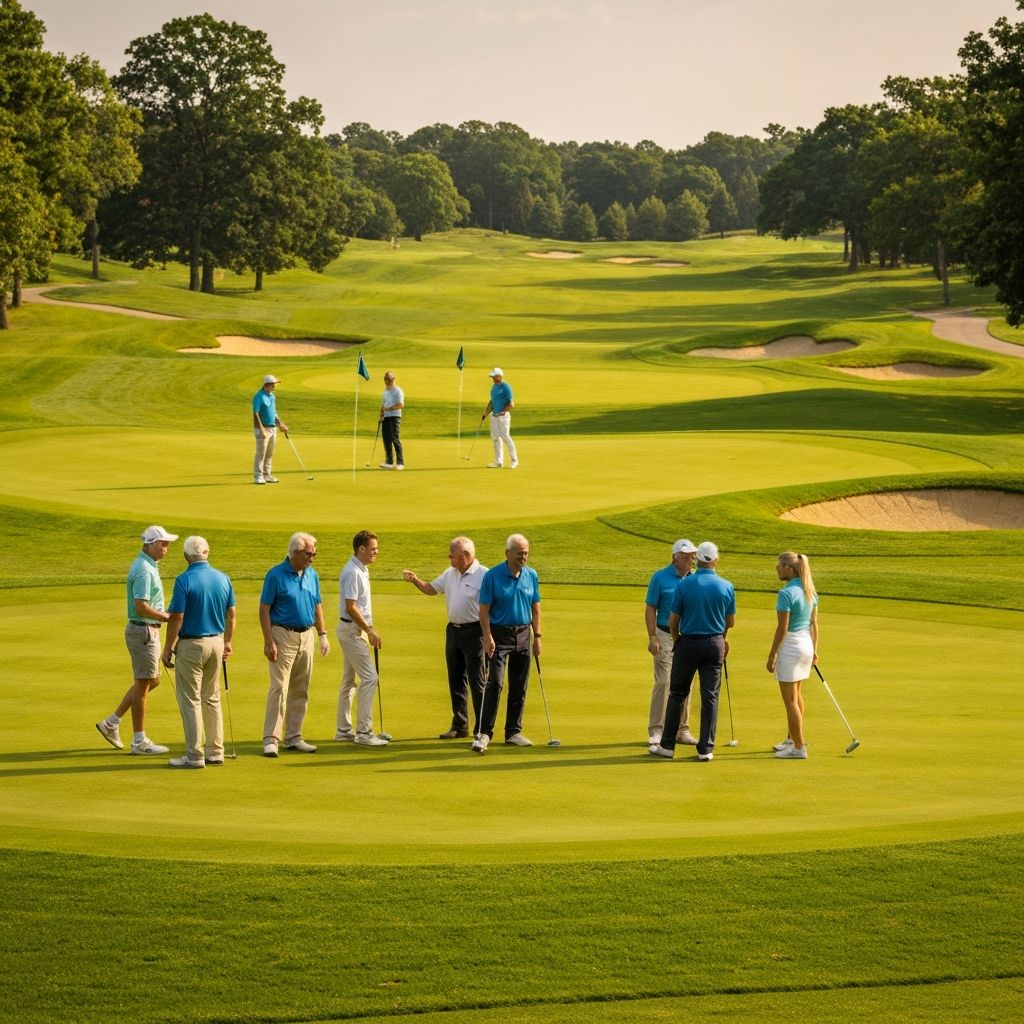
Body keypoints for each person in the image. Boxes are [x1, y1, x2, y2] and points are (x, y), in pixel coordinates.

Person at [96, 526, 178, 756]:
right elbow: (141, 606)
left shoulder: (149, 565)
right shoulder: (143, 569)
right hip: (142, 632)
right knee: (143, 685)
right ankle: (139, 741)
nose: (166, 548)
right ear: (150, 544)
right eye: (163, 544)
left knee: (153, 681)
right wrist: (166, 617)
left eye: (167, 544)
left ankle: (111, 723)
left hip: (146, 631)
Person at [650, 541, 735, 763]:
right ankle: (705, 749)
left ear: (697, 560)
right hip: (714, 643)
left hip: (688, 643)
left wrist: (678, 640)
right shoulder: (726, 586)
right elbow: (730, 621)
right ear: (715, 560)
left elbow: (673, 619)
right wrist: (721, 638)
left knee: (677, 693)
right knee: (710, 696)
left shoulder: (684, 585)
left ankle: (667, 745)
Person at [161, 536, 236, 769]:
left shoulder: (183, 580)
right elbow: (231, 614)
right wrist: (227, 642)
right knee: (212, 698)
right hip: (216, 642)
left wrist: (167, 648)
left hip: (192, 645)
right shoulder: (223, 578)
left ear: (186, 556)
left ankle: (194, 756)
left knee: (190, 700)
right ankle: (216, 752)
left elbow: (177, 617)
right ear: (207, 552)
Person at [403, 537, 488, 739]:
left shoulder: (484, 575)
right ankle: (460, 725)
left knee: (478, 682)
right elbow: (432, 589)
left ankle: (482, 728)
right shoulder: (450, 573)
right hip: (453, 631)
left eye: (453, 557)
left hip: (476, 632)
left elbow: (493, 604)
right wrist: (416, 580)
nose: (450, 560)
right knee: (456, 679)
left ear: (466, 556)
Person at [259, 532, 329, 757]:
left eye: (314, 554)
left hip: (306, 634)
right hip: (282, 634)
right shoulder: (276, 575)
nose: (312, 558)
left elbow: (317, 604)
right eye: (309, 554)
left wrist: (322, 633)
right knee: (279, 687)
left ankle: (294, 736)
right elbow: (264, 609)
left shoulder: (312, 575)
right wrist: (268, 640)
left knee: (301, 687)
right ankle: (271, 738)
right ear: (296, 552)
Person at [473, 533, 541, 752]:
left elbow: (535, 608)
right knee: (495, 683)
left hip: (523, 633)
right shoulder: (493, 576)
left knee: (519, 686)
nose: (524, 556)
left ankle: (513, 731)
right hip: (499, 634)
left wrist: (537, 636)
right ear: (507, 553)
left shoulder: (531, 575)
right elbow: (484, 610)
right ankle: (484, 733)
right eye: (520, 553)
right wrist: (488, 636)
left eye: (526, 553)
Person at [335, 530, 389, 746]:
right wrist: (369, 631)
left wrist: (369, 627)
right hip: (351, 631)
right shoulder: (352, 573)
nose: (376, 552)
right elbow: (351, 607)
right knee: (370, 677)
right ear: (361, 549)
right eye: (373, 549)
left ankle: (343, 730)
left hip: (355, 629)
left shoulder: (362, 569)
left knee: (349, 679)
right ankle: (364, 733)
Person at [644, 539, 698, 747]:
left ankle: (682, 730)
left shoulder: (694, 578)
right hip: (664, 633)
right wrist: (652, 636)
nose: (689, 558)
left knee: (686, 683)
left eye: (692, 555)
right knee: (664, 681)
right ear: (674, 557)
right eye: (685, 555)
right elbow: (651, 608)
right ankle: (657, 729)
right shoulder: (660, 577)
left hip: (687, 635)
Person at [766, 551, 819, 760]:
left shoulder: (786, 593)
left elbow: (782, 628)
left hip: (791, 645)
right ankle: (791, 739)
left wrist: (772, 655)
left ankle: (798, 746)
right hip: (806, 644)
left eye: (779, 566)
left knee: (790, 700)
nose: (777, 569)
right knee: (796, 695)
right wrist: (815, 651)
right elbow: (814, 625)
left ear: (789, 568)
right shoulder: (810, 590)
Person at [252, 374, 288, 485]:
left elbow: (274, 412)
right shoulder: (258, 396)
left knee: (269, 453)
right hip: (262, 428)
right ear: (267, 385)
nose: (274, 387)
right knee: (261, 453)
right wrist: (262, 429)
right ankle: (258, 476)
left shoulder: (272, 396)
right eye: (273, 385)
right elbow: (255, 413)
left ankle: (267, 475)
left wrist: (281, 424)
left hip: (272, 428)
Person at [482, 367, 518, 469]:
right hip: (494, 416)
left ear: (499, 376)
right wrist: (486, 413)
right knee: (495, 438)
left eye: (494, 376)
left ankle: (514, 460)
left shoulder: (506, 387)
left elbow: (511, 404)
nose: (492, 378)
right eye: (492, 376)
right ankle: (498, 462)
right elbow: (492, 402)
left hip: (503, 417)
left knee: (505, 437)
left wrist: (502, 412)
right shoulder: (493, 387)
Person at [378, 370, 405, 470]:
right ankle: (389, 462)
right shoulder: (386, 391)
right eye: (387, 379)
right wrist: (381, 415)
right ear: (384, 380)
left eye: (390, 379)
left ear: (394, 379)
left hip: (395, 417)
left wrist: (389, 409)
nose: (389, 381)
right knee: (386, 439)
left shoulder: (398, 391)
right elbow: (383, 404)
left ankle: (400, 462)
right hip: (386, 417)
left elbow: (401, 405)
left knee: (394, 438)